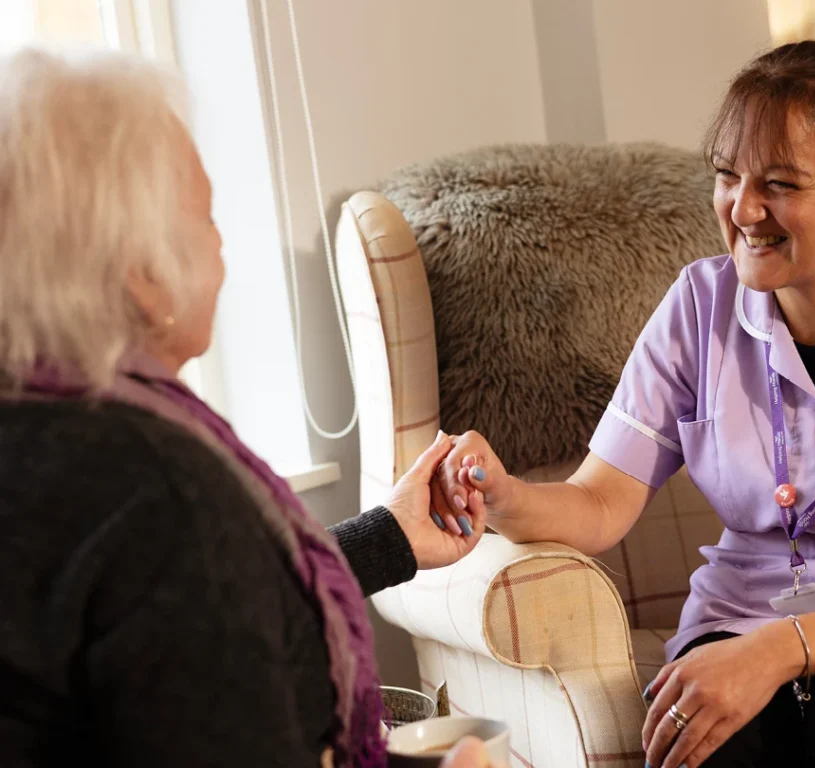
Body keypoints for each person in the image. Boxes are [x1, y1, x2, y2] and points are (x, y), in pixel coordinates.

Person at [432, 40, 815, 767]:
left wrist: (780, 652)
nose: (743, 209)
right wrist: (502, 493)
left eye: (780, 183)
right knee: (707, 743)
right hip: (745, 616)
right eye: (726, 176)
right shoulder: (697, 307)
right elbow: (599, 504)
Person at [0, 49, 491, 768]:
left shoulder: (40, 431)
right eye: (206, 216)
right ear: (141, 275)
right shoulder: (162, 489)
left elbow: (193, 619)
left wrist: (389, 536)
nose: (223, 243)